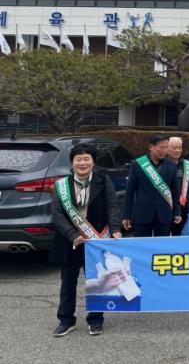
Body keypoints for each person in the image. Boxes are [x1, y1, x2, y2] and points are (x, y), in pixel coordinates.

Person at [49, 143, 122, 337]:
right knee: (68, 282)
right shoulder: (61, 185)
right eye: (78, 159)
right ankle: (66, 320)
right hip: (70, 242)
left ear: (93, 162)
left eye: (86, 159)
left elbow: (113, 207)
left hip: (96, 241)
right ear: (72, 163)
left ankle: (96, 320)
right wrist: (72, 235)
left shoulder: (103, 180)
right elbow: (57, 214)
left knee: (98, 281)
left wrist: (115, 229)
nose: (82, 163)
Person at [122, 134, 181, 237]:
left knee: (161, 246)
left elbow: (175, 192)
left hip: (164, 215)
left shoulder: (171, 165)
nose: (164, 151)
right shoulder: (138, 164)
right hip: (142, 214)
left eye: (166, 147)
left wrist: (177, 212)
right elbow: (130, 192)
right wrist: (126, 215)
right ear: (151, 147)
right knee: (141, 245)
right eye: (161, 147)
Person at [167, 136, 189, 236]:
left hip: (183, 207)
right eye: (174, 148)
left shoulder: (187, 165)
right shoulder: (162, 164)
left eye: (179, 147)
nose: (177, 150)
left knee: (179, 236)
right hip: (166, 206)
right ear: (167, 148)